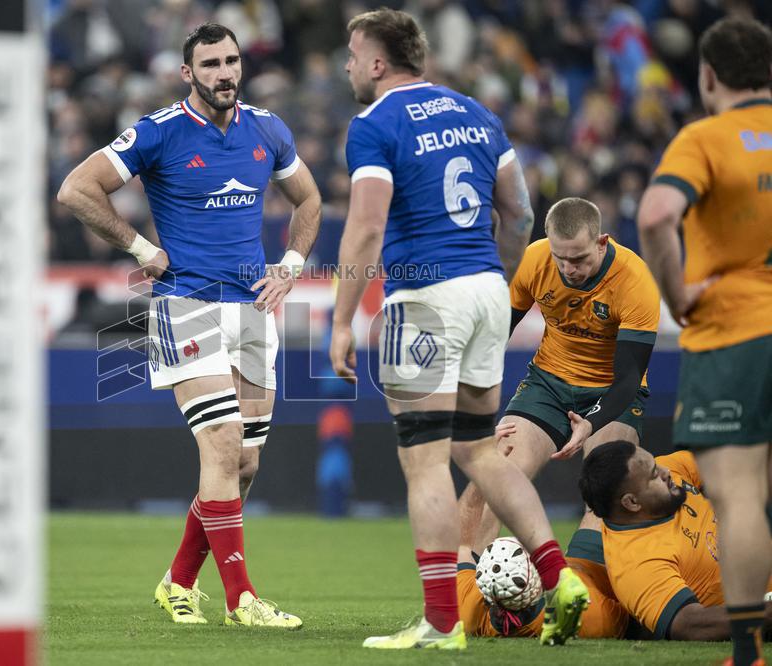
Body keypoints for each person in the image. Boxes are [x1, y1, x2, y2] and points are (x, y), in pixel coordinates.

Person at [329, 8, 588, 650]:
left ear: (379, 63)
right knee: (476, 449)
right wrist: (494, 285)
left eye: (353, 55)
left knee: (423, 466)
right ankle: (560, 578)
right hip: (484, 293)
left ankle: (441, 623)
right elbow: (521, 210)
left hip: (422, 299)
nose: (348, 66)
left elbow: (364, 226)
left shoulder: (374, 123)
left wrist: (340, 319)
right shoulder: (477, 114)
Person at [58, 22, 321, 628]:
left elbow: (308, 200)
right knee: (223, 446)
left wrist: (292, 265)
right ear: (188, 73)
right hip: (186, 305)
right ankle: (242, 601)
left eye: (231, 61)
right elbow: (77, 189)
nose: (225, 72)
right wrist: (139, 248)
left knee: (245, 465)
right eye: (211, 64)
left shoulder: (268, 129)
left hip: (253, 308)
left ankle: (178, 581)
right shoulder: (160, 132)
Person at [636, 16, 772, 665]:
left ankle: (746, 652)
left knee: (741, 492)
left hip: (736, 334)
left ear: (709, 76)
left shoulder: (707, 137)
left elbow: (658, 214)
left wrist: (676, 296)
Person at [458, 197, 660, 548]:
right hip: (548, 382)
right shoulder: (534, 259)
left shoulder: (634, 280)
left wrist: (591, 423)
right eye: (560, 258)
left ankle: (583, 590)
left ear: (601, 242)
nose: (568, 269)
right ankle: (466, 589)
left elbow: (628, 378)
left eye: (579, 259)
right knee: (494, 474)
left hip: (612, 389)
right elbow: (493, 339)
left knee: (607, 493)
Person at [580, 442, 772, 642]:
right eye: (654, 475)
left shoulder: (667, 475)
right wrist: (765, 613)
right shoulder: (637, 563)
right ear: (632, 502)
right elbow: (689, 623)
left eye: (655, 464)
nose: (666, 471)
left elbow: (725, 463)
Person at [456, 517, 632, 640]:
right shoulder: (587, 615)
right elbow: (637, 616)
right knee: (601, 506)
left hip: (579, 566)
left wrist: (485, 472)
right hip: (602, 570)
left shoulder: (468, 607)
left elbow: (464, 547)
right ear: (535, 580)